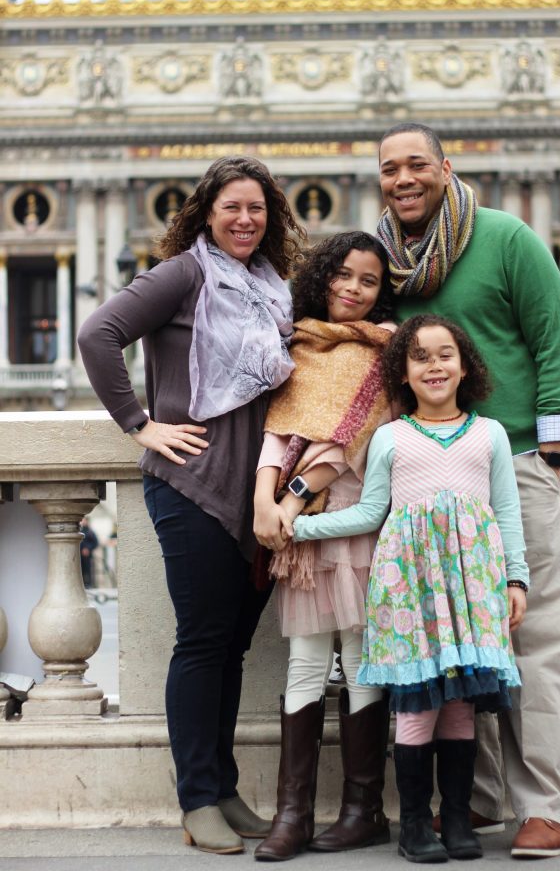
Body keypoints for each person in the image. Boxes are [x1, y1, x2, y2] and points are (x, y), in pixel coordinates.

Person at [77, 156, 304, 855]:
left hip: (255, 491)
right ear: (206, 211)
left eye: (257, 208)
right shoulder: (184, 274)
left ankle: (224, 787)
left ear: (271, 219)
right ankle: (196, 797)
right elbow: (98, 335)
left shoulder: (273, 287)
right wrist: (140, 423)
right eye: (232, 206)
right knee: (204, 643)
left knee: (232, 648)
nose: (244, 219)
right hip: (193, 483)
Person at [375, 123, 560, 860]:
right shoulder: (387, 264)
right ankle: (480, 801)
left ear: (444, 168)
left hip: (515, 456)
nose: (403, 179)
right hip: (430, 473)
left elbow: (555, 339)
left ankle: (544, 805)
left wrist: (550, 455)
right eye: (389, 168)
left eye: (416, 165)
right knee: (459, 641)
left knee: (531, 636)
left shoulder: (504, 237)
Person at [291, 315, 529, 863]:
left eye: (445, 354)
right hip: (408, 592)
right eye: (419, 356)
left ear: (465, 364)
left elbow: (507, 513)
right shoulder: (390, 438)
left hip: (472, 588)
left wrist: (515, 578)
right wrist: (301, 527)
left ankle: (460, 819)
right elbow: (372, 512)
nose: (434, 365)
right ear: (402, 372)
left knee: (461, 706)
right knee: (417, 707)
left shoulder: (488, 433)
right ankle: (416, 824)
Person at [252, 231, 396, 861]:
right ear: (320, 277)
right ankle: (293, 814)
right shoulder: (300, 344)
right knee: (307, 662)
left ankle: (364, 809)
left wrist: (289, 501)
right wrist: (263, 495)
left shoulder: (383, 355)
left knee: (363, 660)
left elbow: (341, 446)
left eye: (368, 281)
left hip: (352, 522)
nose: (352, 289)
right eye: (342, 275)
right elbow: (279, 430)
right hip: (296, 528)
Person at [79, 517, 99, 589]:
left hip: (87, 556)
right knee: (80, 570)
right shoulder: (79, 531)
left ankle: (89, 584)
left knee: (88, 570)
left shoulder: (91, 532)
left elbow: (96, 543)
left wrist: (88, 549)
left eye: (84, 520)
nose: (83, 522)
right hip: (79, 555)